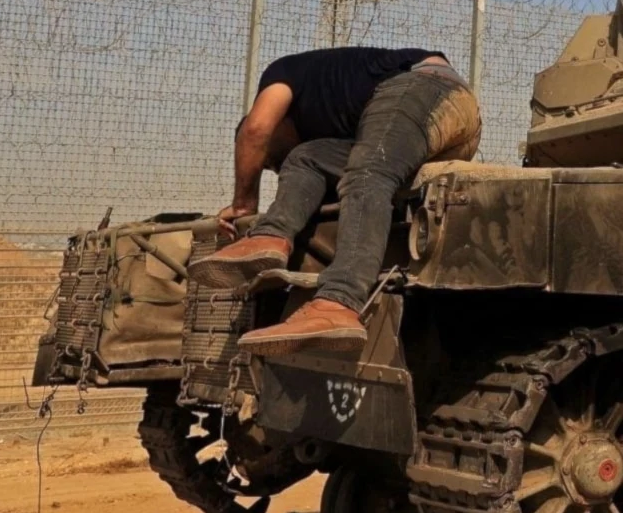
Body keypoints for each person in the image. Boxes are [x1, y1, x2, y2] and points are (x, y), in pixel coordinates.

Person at [190, 46, 482, 352]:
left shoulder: (281, 74)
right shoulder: (337, 118)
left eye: (268, 159)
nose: (274, 167)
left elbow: (255, 130)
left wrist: (243, 205)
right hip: (429, 125)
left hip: (432, 89)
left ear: (280, 124)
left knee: (367, 171)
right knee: (307, 158)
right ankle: (270, 236)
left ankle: (340, 300)